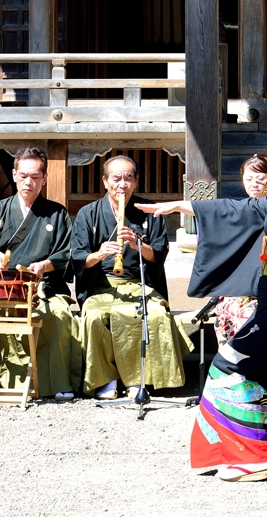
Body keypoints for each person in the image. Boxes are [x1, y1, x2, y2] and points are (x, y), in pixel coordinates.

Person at [140, 132, 267, 482]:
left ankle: (253, 459)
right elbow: (231, 209)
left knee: (230, 363)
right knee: (262, 377)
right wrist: (179, 206)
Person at [0, 146, 82, 400]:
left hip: (43, 289)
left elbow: (68, 252)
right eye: (23, 175)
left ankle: (55, 382)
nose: (28, 181)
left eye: (35, 176)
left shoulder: (57, 214)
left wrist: (46, 264)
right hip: (1, 287)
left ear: (44, 178)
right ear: (13, 175)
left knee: (57, 317)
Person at [71, 154, 192, 400]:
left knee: (155, 314)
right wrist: (99, 253)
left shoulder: (149, 212)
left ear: (135, 182)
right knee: (94, 315)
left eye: (128, 178)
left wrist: (138, 245)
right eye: (116, 178)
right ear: (105, 181)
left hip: (140, 283)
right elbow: (78, 257)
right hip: (101, 285)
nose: (122, 184)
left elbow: (158, 254)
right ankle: (106, 379)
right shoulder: (87, 213)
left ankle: (141, 378)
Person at [211, 153, 267, 345]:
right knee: (226, 310)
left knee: (251, 317)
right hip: (238, 287)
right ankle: (230, 368)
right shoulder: (235, 210)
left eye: (260, 179)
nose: (254, 184)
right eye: (249, 179)